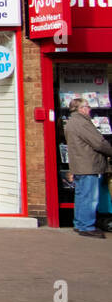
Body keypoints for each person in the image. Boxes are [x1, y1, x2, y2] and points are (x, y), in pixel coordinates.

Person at [63, 98, 112, 239]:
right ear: (81, 109)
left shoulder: (71, 122)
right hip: (89, 165)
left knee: (81, 196)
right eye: (87, 106)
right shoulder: (83, 123)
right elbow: (99, 143)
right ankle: (86, 226)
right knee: (90, 198)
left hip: (79, 165)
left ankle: (80, 224)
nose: (90, 109)